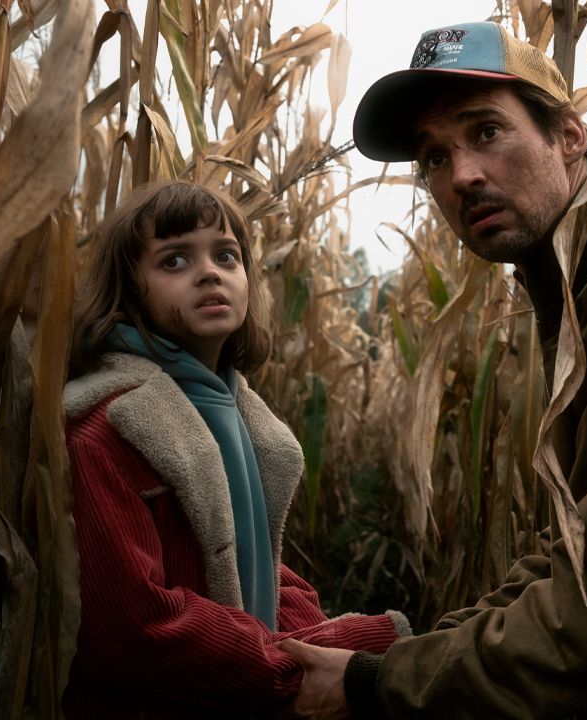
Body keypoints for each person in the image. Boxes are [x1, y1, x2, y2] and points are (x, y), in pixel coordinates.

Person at [278, 21, 587, 719]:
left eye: (486, 132)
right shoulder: (579, 283)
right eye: (434, 157)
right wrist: (408, 654)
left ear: (568, 136)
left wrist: (373, 685)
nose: (462, 177)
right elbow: (577, 546)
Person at [61, 180, 411, 719]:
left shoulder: (237, 414)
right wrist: (296, 671)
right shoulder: (109, 432)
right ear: (128, 290)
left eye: (226, 256)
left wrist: (349, 642)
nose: (209, 272)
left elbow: (257, 566)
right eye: (174, 260)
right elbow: (131, 627)